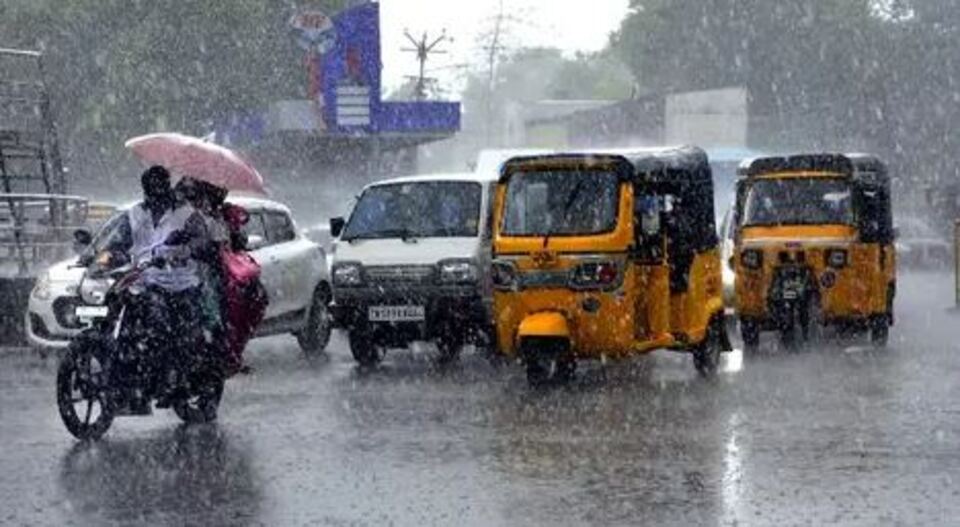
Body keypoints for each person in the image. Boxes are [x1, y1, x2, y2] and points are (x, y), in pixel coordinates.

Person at [112, 166, 210, 407]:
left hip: (179, 284)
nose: (155, 194)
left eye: (159, 187)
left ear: (167, 188)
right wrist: (104, 255)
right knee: (117, 312)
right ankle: (123, 370)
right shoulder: (134, 214)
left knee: (163, 326)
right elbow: (117, 241)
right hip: (144, 281)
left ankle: (173, 379)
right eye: (150, 189)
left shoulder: (186, 215)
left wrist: (184, 250)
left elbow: (202, 241)